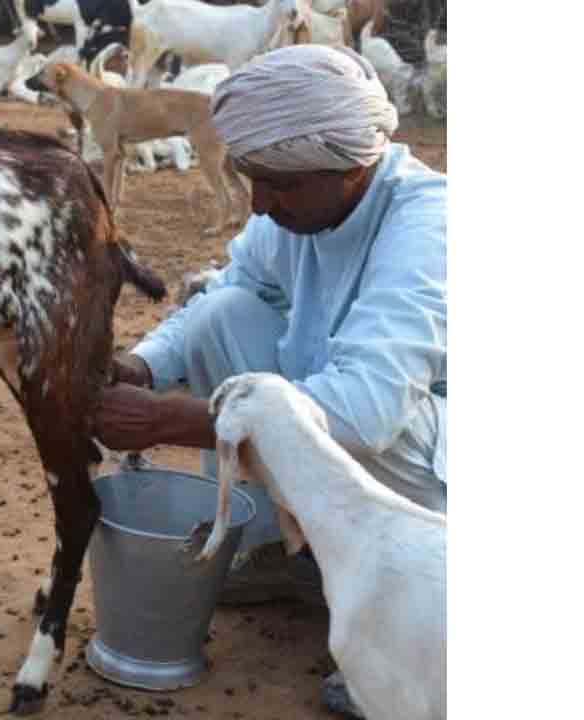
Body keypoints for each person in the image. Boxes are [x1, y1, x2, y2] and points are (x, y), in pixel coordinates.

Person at [90, 44, 446, 719]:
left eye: (277, 184)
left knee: (363, 420)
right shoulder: (296, 210)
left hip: (435, 474)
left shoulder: (429, 226)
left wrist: (167, 419)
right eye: (253, 179)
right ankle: (282, 554)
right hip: (347, 406)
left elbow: (368, 408)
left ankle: (411, 638)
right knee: (226, 312)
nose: (259, 204)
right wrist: (141, 366)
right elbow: (225, 296)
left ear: (349, 167)